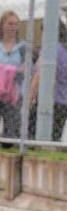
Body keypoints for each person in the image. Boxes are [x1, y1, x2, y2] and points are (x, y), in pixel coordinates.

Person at [28, 20, 67, 141]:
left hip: (47, 100)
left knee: (33, 136)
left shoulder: (50, 50)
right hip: (63, 102)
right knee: (54, 138)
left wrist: (29, 99)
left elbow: (39, 75)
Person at [0, 11, 28, 143]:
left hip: (14, 93)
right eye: (10, 24)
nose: (13, 27)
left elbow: (26, 69)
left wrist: (6, 70)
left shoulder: (23, 47)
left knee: (11, 128)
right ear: (2, 25)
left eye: (16, 24)